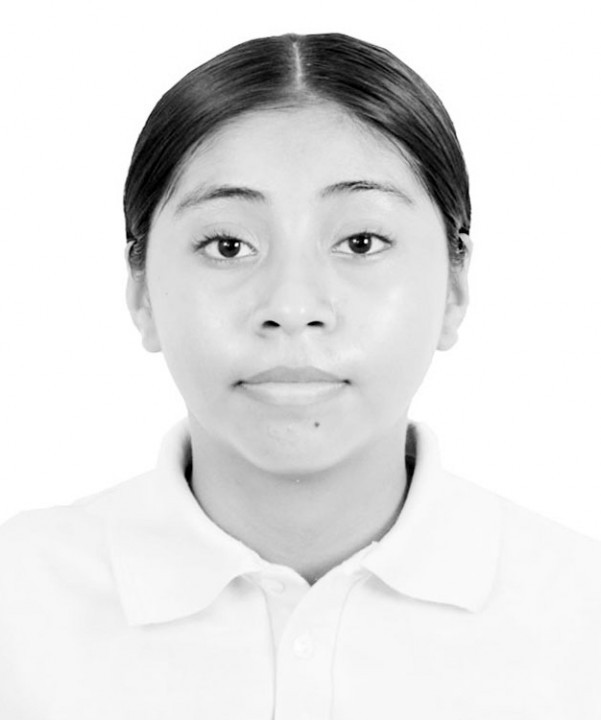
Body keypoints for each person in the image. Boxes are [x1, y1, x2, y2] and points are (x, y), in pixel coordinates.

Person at [0, 31, 599, 719]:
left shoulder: (581, 619)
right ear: (141, 292)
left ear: (454, 288)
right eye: (228, 245)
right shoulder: (17, 606)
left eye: (361, 242)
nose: (291, 306)